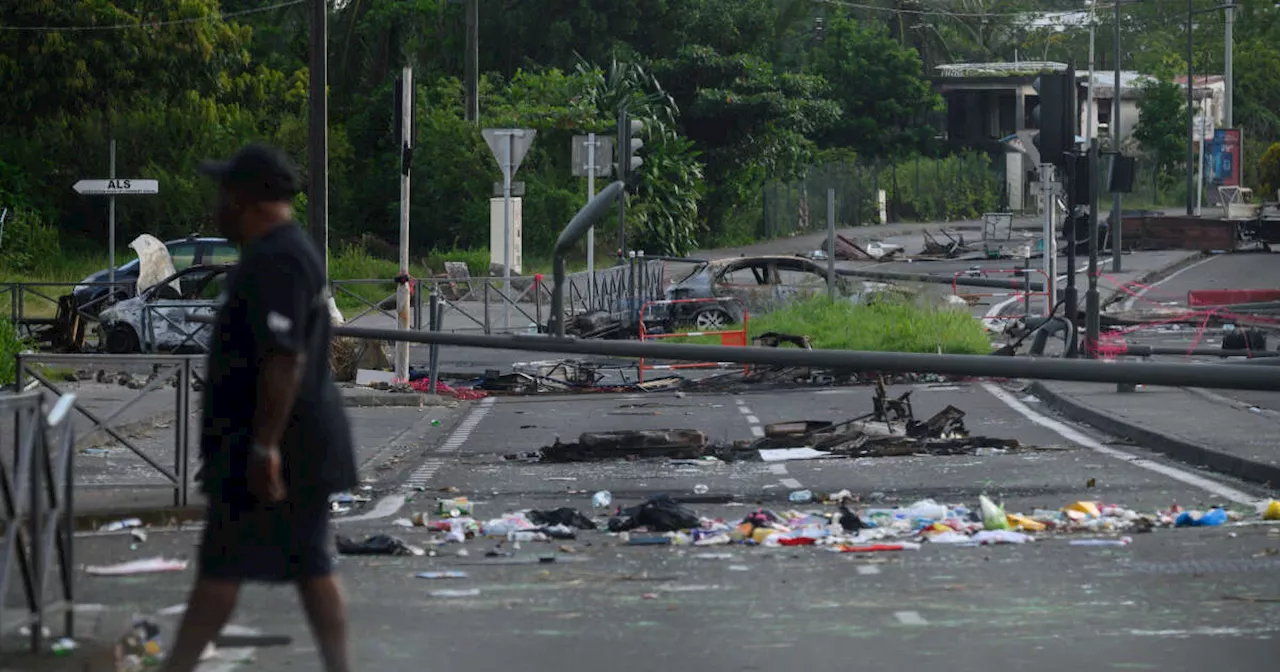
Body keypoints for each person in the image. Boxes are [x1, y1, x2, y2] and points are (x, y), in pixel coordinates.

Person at [162, 144, 357, 672]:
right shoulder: (281, 252)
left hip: (275, 445)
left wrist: (265, 445)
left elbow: (283, 359)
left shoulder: (278, 258)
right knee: (305, 562)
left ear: (247, 198)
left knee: (224, 568)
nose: (216, 206)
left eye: (223, 194)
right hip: (283, 442)